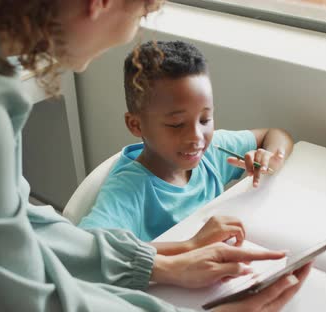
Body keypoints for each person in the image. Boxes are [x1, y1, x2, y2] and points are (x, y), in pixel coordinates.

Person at [0, 0, 311, 311]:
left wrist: (159, 263)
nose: (135, 31)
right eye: (141, 12)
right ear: (100, 2)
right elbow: (27, 296)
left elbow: (15, 218)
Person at [78, 41, 294, 251]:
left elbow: (274, 134)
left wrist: (272, 157)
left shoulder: (212, 152)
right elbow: (88, 250)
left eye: (204, 119)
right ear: (136, 125)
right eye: (177, 124)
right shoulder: (128, 190)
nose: (196, 137)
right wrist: (192, 244)